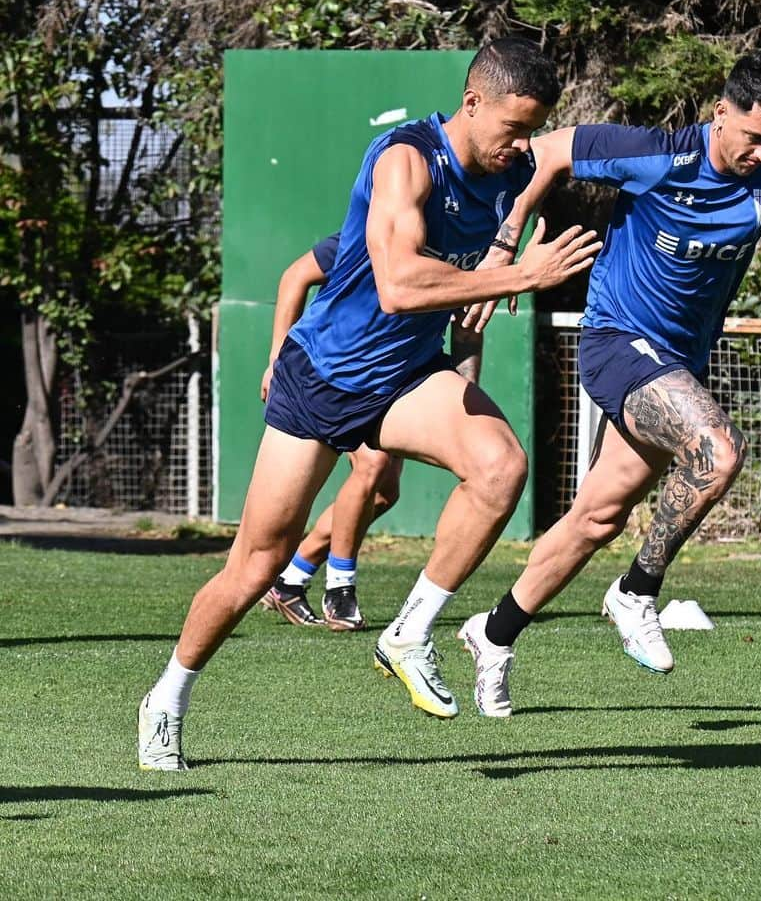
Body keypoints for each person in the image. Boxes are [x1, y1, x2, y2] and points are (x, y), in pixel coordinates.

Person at [137, 38, 601, 769]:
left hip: (405, 376)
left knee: (500, 468)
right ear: (471, 101)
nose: (522, 145)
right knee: (255, 566)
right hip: (323, 377)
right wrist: (515, 279)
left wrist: (500, 261)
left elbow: (541, 182)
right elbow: (399, 285)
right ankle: (167, 698)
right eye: (513, 128)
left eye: (532, 129)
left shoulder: (510, 172)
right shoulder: (404, 159)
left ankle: (409, 633)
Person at [456, 50, 761, 718]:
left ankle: (494, 633)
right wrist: (504, 241)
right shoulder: (656, 155)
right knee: (718, 451)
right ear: (721, 114)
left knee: (596, 518)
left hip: (677, 365)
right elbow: (548, 151)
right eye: (752, 137)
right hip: (616, 342)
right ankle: (635, 591)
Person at [256, 234, 483, 631]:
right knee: (371, 466)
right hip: (338, 374)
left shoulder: (459, 246)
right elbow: (296, 275)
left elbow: (468, 321)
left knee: (383, 493)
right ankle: (340, 589)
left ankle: (292, 576)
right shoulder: (368, 236)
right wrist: (276, 356)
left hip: (401, 376)